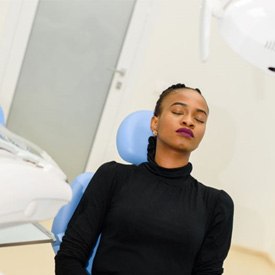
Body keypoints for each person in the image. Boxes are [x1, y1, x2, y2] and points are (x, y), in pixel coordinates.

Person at [55, 83, 234, 275]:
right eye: (178, 111)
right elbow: (70, 255)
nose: (189, 121)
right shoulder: (113, 176)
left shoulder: (216, 204)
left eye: (199, 119)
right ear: (154, 123)